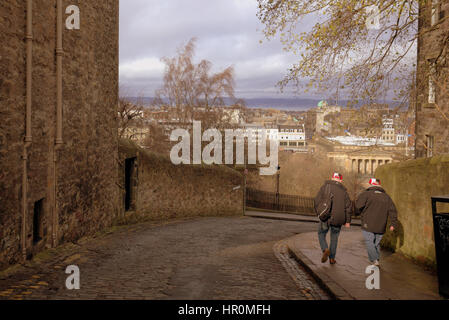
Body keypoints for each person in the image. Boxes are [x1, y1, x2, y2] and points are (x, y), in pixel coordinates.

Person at [355, 178, 398, 267]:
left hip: (368, 223)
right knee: (376, 243)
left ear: (371, 185)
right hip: (381, 225)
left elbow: (358, 206)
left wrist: (359, 213)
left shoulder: (366, 194)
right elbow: (393, 210)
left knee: (369, 241)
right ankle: (377, 259)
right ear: (379, 185)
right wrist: (393, 224)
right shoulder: (386, 197)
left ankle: (374, 260)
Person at [314, 173, 352, 265]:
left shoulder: (325, 187)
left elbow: (316, 200)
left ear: (332, 178)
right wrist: (347, 221)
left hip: (326, 217)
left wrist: (318, 212)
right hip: (338, 218)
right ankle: (332, 259)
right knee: (334, 238)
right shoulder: (344, 192)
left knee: (321, 233)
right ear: (341, 180)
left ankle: (325, 249)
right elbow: (348, 208)